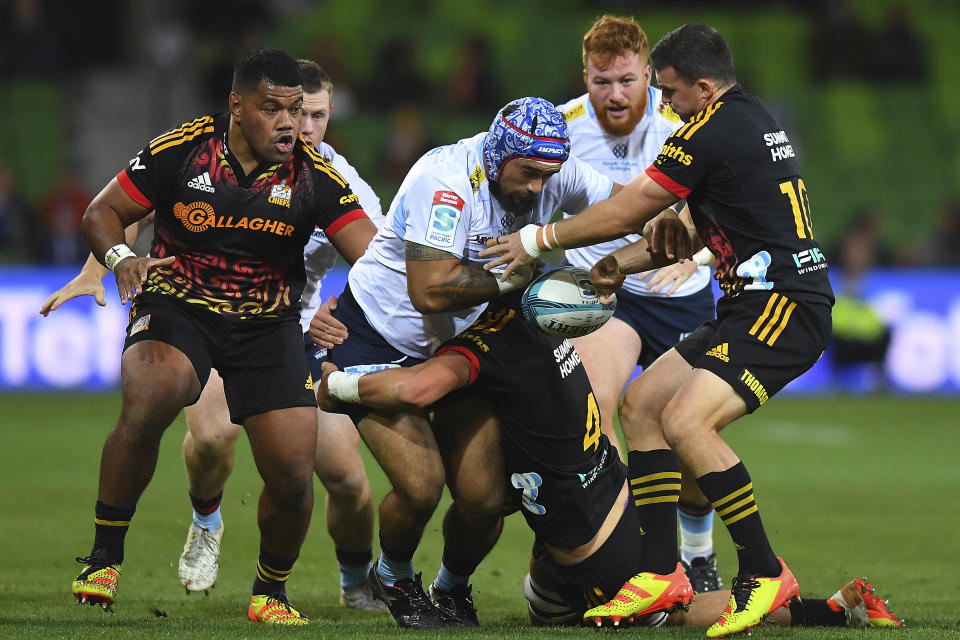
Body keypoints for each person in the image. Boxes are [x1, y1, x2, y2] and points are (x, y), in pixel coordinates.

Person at [481, 24, 835, 637]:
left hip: (784, 305)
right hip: (749, 304)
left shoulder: (711, 130)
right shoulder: (749, 120)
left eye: (669, 92)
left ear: (702, 87)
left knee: (685, 422)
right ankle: (657, 571)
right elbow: (692, 232)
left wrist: (539, 239)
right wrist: (619, 264)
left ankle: (762, 569)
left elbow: (628, 209)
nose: (663, 104)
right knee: (643, 406)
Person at [315, 293, 900, 632]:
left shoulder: (486, 348)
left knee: (681, 611)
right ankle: (506, 590)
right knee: (519, 548)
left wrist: (338, 384)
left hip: (594, 550)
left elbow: (417, 389)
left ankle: (823, 612)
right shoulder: (540, 325)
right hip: (607, 498)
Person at [43, 60, 388, 611]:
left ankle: (269, 593)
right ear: (236, 107)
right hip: (179, 304)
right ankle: (105, 558)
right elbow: (104, 210)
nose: (289, 125)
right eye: (273, 109)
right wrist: (119, 257)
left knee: (293, 472)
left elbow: (376, 261)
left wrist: (343, 308)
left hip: (269, 322)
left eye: (297, 111)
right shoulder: (181, 150)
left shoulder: (319, 177)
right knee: (153, 394)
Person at [310, 96, 622, 628]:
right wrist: (521, 276)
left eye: (549, 176)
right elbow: (430, 291)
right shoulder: (445, 181)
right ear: (499, 155)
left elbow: (626, 202)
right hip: (377, 338)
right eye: (527, 174)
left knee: (485, 499)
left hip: (466, 337)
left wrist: (678, 213)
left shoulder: (550, 167)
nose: (538, 188)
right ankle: (394, 573)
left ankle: (451, 587)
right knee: (421, 486)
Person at [556, 14, 721, 592]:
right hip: (609, 291)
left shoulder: (685, 118)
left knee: (689, 426)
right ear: (585, 76)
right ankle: (613, 547)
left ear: (647, 73)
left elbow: (722, 202)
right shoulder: (563, 127)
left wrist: (695, 259)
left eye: (627, 80)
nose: (616, 94)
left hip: (683, 294)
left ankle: (698, 555)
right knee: (594, 411)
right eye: (602, 82)